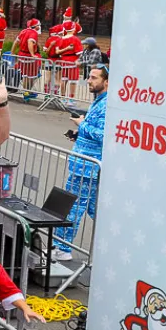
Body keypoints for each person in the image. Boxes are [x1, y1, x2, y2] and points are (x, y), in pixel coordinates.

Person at [55, 65, 107, 262]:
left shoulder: (106, 104)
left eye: (94, 78)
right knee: (95, 209)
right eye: (89, 77)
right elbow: (91, 131)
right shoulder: (98, 101)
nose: (89, 80)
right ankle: (115, 241)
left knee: (73, 207)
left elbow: (103, 135)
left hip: (88, 167)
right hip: (82, 163)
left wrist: (82, 125)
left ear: (106, 81)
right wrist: (78, 135)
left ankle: (63, 248)